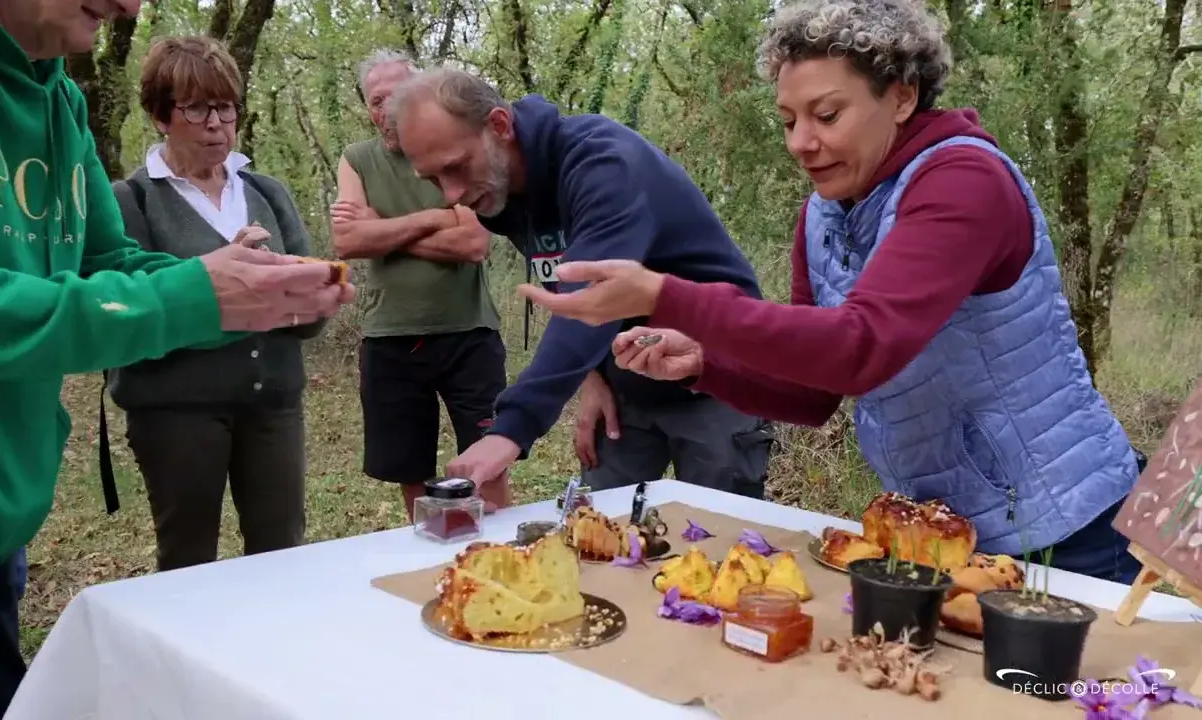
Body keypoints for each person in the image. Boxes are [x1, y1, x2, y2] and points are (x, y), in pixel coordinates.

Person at [520, 0, 1143, 584]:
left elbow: (861, 346)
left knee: (1065, 696)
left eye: (826, 115)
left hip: (1068, 528)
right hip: (938, 531)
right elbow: (818, 392)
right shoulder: (824, 215)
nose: (800, 143)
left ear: (902, 96)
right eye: (788, 120)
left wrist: (667, 296)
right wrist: (706, 365)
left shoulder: (964, 181)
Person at [0, 2, 354, 717]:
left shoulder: (56, 94)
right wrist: (198, 297)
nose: (130, 7)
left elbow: (106, 263)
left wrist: (252, 294)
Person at [388, 69, 777, 502]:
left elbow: (594, 296)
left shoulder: (604, 164)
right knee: (598, 542)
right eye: (434, 180)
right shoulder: (506, 193)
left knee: (718, 542)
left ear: (499, 126)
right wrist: (592, 376)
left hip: (715, 378)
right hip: (628, 387)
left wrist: (511, 428)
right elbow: (563, 283)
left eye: (456, 167)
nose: (452, 194)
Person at [107, 36, 323, 571]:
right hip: (176, 411)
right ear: (160, 116)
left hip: (274, 404)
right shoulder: (131, 201)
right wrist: (222, 279)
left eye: (225, 106)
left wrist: (309, 291)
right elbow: (131, 319)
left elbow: (309, 315)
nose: (215, 123)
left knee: (280, 558)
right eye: (196, 107)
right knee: (188, 563)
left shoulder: (267, 192)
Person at [330, 50, 507, 520]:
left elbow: (473, 244)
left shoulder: (451, 148)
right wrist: (435, 218)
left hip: (470, 332)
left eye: (398, 95)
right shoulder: (357, 159)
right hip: (391, 337)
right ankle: (427, 563)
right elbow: (347, 239)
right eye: (376, 99)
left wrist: (383, 230)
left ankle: (502, 570)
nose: (387, 110)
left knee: (489, 466)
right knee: (412, 473)